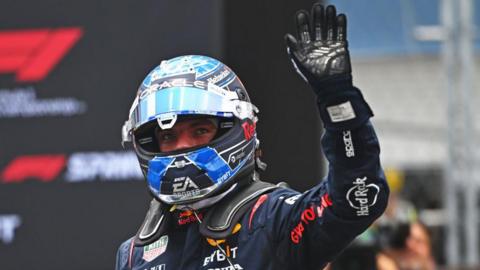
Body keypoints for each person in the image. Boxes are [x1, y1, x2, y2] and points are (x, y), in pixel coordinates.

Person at [116, 3, 389, 270]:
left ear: (238, 130)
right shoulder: (135, 254)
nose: (182, 147)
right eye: (167, 137)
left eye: (199, 131)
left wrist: (337, 99)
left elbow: (357, 199)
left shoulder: (275, 220)